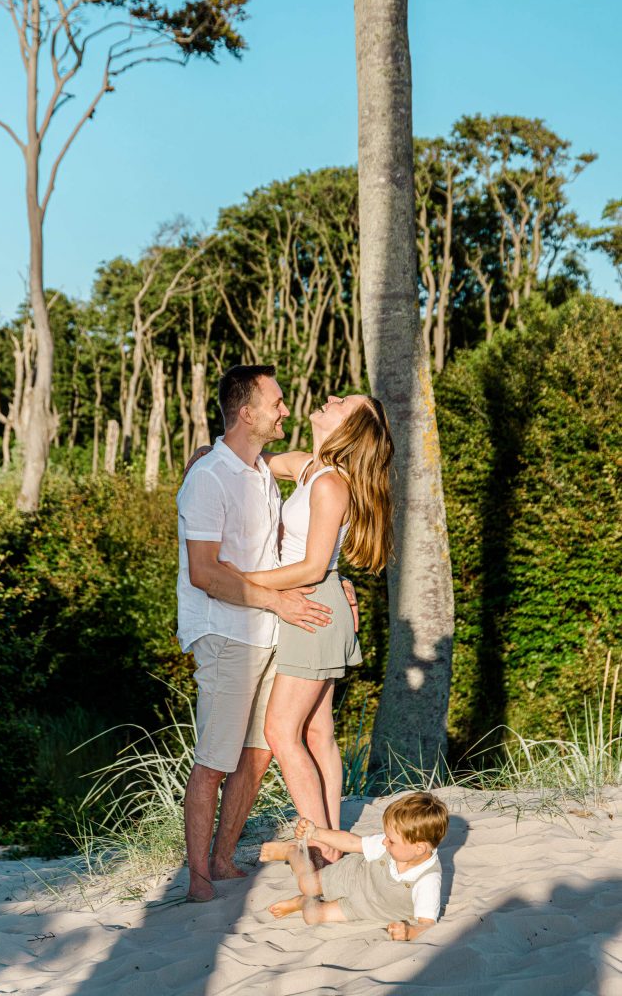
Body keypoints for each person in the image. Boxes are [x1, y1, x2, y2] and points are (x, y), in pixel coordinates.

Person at [178, 364, 356, 902]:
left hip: (271, 626)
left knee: (260, 752)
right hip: (227, 632)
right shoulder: (211, 477)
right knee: (215, 760)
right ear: (247, 412)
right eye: (277, 402)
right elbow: (203, 574)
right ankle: (198, 880)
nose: (286, 409)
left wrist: (334, 579)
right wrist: (278, 597)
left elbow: (315, 541)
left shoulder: (262, 468)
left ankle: (225, 858)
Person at [222, 393, 394, 863]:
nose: (332, 397)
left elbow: (314, 567)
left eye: (344, 403)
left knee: (280, 731)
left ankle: (321, 842)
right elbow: (268, 458)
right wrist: (214, 449)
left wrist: (238, 581)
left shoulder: (331, 484)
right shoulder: (313, 470)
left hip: (312, 609)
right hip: (317, 607)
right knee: (317, 733)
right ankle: (334, 840)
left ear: (351, 430)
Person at [259, 792, 449, 939]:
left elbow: (427, 924)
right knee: (306, 884)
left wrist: (409, 932)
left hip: (361, 907)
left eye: (391, 841)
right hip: (353, 876)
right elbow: (352, 844)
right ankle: (294, 853)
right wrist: (316, 833)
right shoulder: (388, 845)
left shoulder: (427, 881)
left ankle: (301, 902)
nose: (385, 842)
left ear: (419, 848)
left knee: (312, 916)